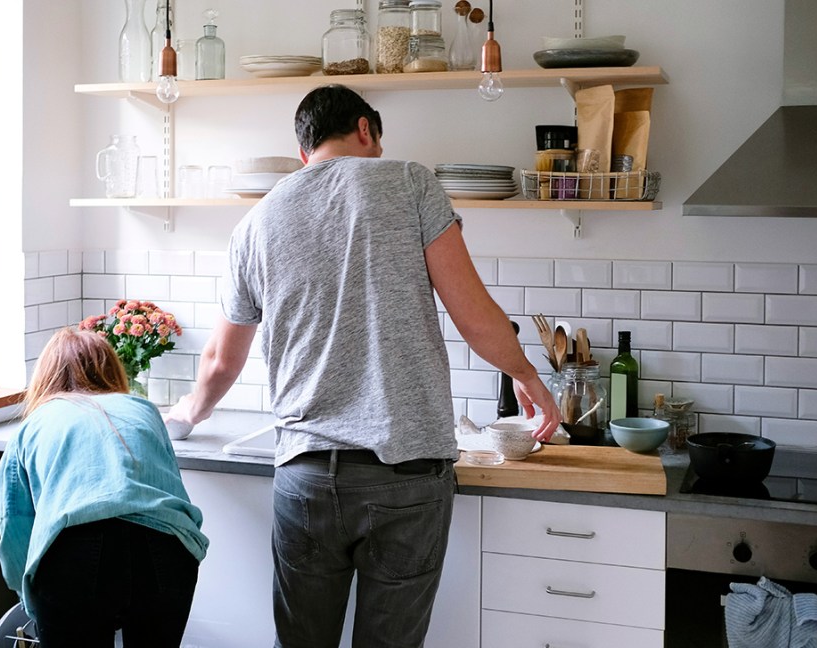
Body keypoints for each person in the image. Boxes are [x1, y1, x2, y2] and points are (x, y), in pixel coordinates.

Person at [165, 83, 561, 648]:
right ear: (365, 129)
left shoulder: (256, 222)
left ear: (304, 151)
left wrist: (185, 414)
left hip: (306, 475)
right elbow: (474, 316)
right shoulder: (408, 182)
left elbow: (221, 362)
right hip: (407, 475)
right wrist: (527, 375)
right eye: (375, 142)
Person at [0, 327, 209, 647]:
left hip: (73, 549)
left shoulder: (32, 427)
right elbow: (170, 486)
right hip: (166, 544)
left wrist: (32, 601)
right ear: (110, 368)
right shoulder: (144, 410)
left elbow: (16, 527)